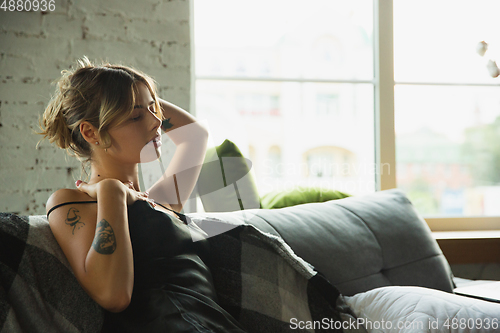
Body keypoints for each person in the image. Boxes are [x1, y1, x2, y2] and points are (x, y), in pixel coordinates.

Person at [36, 57, 247, 332]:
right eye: (136, 116)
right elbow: (114, 297)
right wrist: (113, 191)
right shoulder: (71, 203)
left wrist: (136, 93)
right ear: (91, 132)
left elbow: (195, 134)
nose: (156, 121)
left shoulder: (161, 201)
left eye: (154, 108)